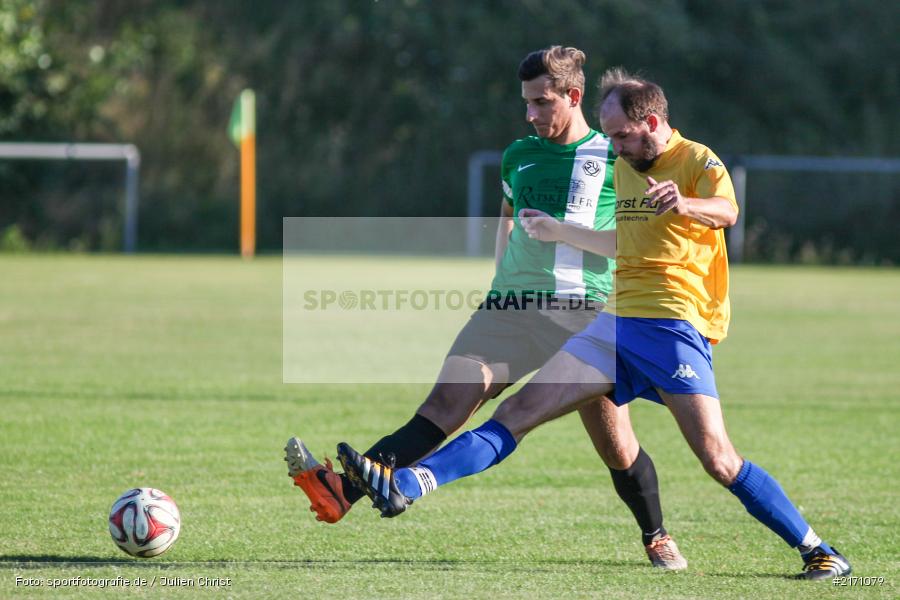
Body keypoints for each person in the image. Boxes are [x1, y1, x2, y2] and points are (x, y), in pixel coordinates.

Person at [337, 67, 851, 581]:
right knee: (518, 410)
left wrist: (684, 202)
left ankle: (819, 550)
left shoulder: (696, 159)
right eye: (609, 138)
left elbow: (726, 211)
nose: (615, 148)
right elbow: (622, 242)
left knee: (719, 460)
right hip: (613, 322)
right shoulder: (623, 160)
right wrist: (559, 230)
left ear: (651, 121)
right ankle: (407, 484)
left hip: (673, 327)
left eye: (623, 137)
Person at [286, 47, 687, 569]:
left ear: (574, 96)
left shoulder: (615, 158)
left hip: (580, 316)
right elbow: (508, 214)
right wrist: (501, 281)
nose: (531, 114)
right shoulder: (517, 155)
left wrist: (563, 233)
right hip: (507, 311)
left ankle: (656, 535)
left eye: (543, 103)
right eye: (526, 103)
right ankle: (342, 492)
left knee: (616, 445)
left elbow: (631, 242)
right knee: (441, 409)